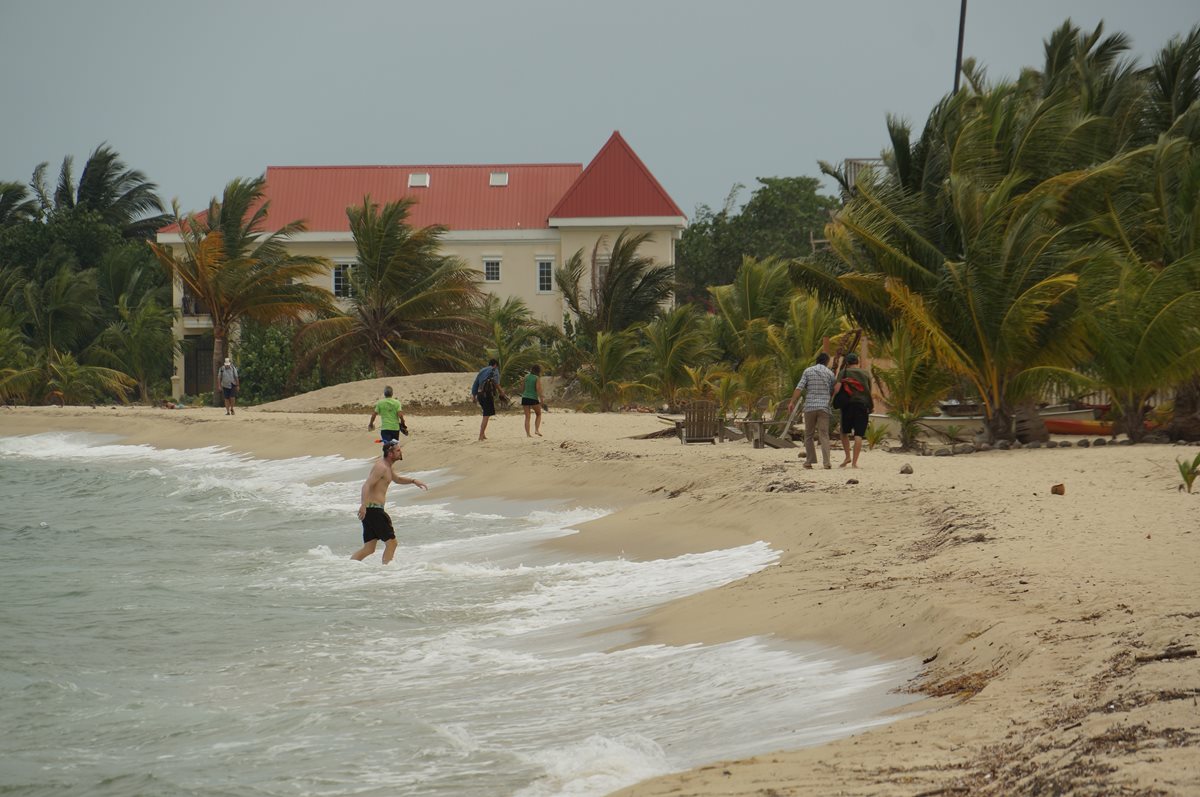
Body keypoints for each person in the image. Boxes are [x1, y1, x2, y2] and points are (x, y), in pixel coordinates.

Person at [351, 438, 428, 564]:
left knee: (369, 548)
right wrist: (363, 505)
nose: (400, 452)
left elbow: (397, 479)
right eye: (398, 451)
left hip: (372, 511)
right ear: (390, 453)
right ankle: (387, 571)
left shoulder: (387, 467)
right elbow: (366, 485)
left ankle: (350, 566)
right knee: (392, 543)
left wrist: (414, 481)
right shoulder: (381, 467)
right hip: (373, 510)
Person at [786, 352, 835, 470]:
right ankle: (827, 462)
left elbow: (799, 387)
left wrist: (792, 402)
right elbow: (833, 389)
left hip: (810, 407)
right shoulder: (830, 373)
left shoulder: (808, 371)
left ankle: (809, 461)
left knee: (809, 435)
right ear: (827, 361)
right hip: (823, 407)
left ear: (817, 360)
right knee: (824, 434)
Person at [834, 352, 874, 468]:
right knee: (858, 435)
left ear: (847, 363)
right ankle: (854, 463)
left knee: (844, 432)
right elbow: (868, 391)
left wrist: (834, 400)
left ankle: (847, 456)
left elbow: (837, 389)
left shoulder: (843, 372)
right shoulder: (865, 373)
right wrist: (871, 406)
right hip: (862, 405)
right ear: (858, 362)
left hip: (847, 405)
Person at [470, 358, 507, 441]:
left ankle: (483, 434)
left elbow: (476, 383)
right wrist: (501, 392)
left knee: (485, 413)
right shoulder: (494, 370)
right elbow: (496, 383)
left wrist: (473, 395)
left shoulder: (482, 370)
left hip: (480, 394)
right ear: (495, 365)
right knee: (486, 415)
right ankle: (480, 435)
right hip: (487, 394)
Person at [520, 364, 545, 437]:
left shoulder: (526, 376)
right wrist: (541, 399)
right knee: (538, 414)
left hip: (524, 397)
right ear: (538, 371)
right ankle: (536, 430)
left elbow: (522, 387)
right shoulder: (536, 378)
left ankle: (528, 434)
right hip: (533, 398)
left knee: (527, 417)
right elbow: (538, 389)